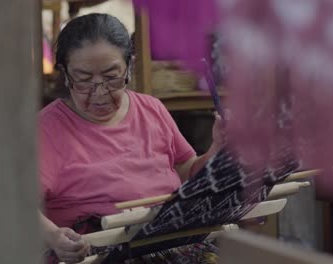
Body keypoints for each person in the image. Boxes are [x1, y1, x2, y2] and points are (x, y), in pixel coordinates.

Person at [38, 13, 222, 263]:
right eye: (83, 80)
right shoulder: (47, 128)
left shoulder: (152, 109)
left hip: (173, 241)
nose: (100, 92)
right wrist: (53, 236)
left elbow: (187, 173)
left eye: (111, 77)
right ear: (65, 74)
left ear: (129, 67)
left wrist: (216, 151)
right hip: (101, 252)